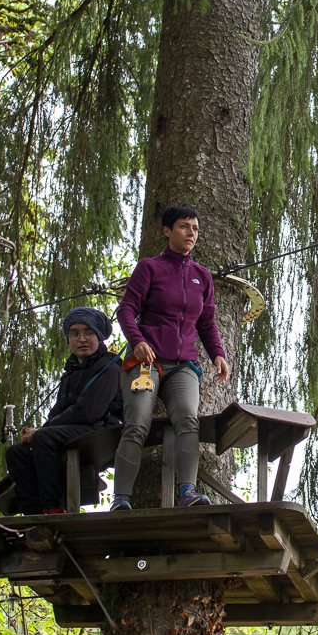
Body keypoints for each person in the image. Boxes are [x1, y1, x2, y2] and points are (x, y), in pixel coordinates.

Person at [112, 203, 231, 511]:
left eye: (194, 228)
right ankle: (121, 499)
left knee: (188, 420)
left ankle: (188, 493)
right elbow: (126, 310)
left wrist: (217, 353)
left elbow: (206, 323)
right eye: (183, 226)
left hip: (183, 366)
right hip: (146, 363)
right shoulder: (149, 267)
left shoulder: (202, 277)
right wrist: (136, 341)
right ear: (167, 231)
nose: (190, 232)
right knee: (137, 422)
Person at [2, 308, 123, 515]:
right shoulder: (70, 373)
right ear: (68, 340)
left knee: (44, 437)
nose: (82, 339)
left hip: (102, 433)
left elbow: (89, 412)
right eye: (74, 334)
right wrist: (39, 431)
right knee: (16, 452)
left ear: (99, 337)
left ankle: (54, 508)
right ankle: (33, 515)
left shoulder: (109, 367)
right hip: (75, 433)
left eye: (88, 333)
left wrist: (42, 431)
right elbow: (56, 414)